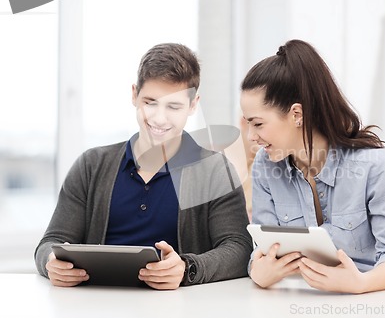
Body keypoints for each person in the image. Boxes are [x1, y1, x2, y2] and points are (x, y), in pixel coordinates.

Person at [35, 43, 253, 289]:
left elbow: (240, 249)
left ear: (193, 105)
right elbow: (51, 242)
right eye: (151, 102)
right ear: (134, 95)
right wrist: (51, 262)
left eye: (173, 106)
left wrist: (186, 268)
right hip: (94, 303)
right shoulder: (91, 166)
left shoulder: (215, 170)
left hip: (178, 307)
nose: (160, 118)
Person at [239, 39, 385, 293]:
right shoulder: (265, 168)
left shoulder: (372, 164)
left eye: (258, 124)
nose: (251, 137)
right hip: (297, 302)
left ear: (296, 114)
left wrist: (360, 284)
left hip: (367, 304)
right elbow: (262, 250)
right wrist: (258, 271)